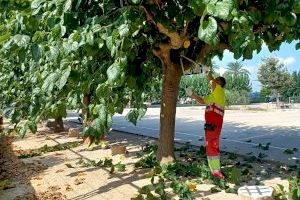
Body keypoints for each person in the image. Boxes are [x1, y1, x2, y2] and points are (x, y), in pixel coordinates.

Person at [186, 70, 226, 179]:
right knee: (210, 146)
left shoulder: (219, 92)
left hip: (214, 126)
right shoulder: (213, 96)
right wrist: (192, 94)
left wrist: (207, 72)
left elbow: (212, 82)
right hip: (210, 126)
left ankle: (216, 172)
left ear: (220, 84)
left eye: (216, 81)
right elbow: (202, 101)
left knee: (212, 147)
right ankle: (214, 169)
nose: (213, 82)